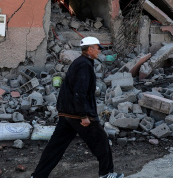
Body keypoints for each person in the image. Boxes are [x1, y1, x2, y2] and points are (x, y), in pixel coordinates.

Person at [31, 37, 124, 178]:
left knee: (55, 147)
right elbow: (79, 92)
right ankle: (106, 174)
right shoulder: (84, 65)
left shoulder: (79, 62)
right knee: (101, 141)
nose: (99, 51)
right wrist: (84, 115)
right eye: (97, 48)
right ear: (90, 48)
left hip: (67, 113)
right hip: (77, 114)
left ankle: (38, 176)